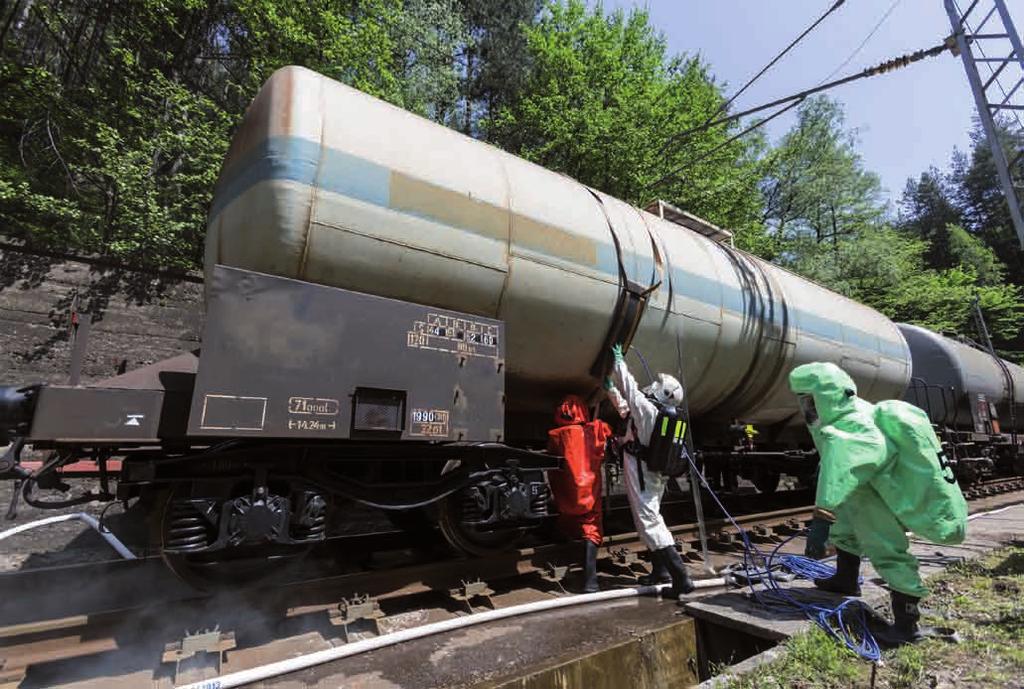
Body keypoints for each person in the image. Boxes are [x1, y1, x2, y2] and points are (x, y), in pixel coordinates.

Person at [791, 362, 968, 646]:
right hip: (861, 492)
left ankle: (906, 625)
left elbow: (835, 477)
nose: (806, 407)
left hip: (874, 495)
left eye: (809, 399)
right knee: (846, 531)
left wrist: (820, 522)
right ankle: (845, 579)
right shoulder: (848, 411)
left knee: (886, 549)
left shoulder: (848, 428)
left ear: (826, 396)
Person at [604, 343, 694, 599]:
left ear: (661, 393)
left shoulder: (648, 410)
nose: (652, 386)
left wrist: (619, 363)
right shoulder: (651, 412)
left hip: (643, 473)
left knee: (650, 522)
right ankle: (661, 572)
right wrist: (611, 392)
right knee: (649, 519)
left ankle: (681, 578)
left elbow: (631, 392)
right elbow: (626, 408)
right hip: (651, 472)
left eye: (656, 386)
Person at [547, 394, 613, 593]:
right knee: (591, 528)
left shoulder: (554, 435)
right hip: (588, 492)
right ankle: (590, 582)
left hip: (566, 498)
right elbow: (608, 434)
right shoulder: (594, 429)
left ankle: (569, 552)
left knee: (569, 522)